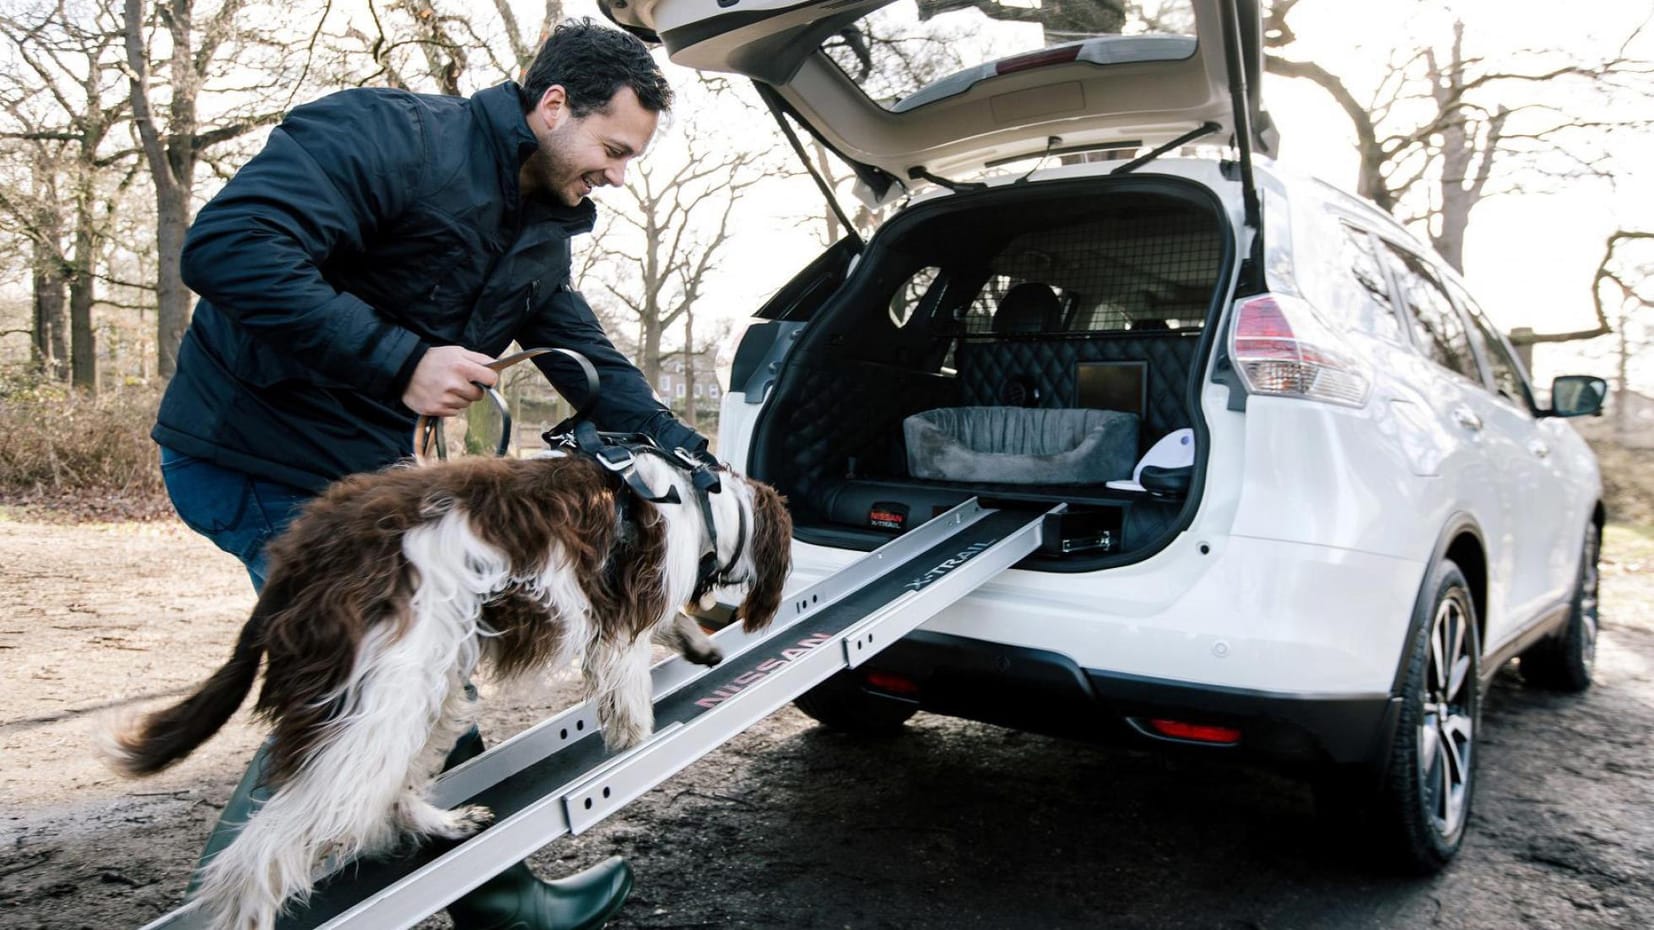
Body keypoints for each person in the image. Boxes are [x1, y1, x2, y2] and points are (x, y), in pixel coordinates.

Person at [152, 19, 705, 930]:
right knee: (379, 685)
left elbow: (585, 359)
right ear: (553, 105)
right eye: (612, 150)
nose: (616, 175)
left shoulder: (540, 231)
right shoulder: (388, 136)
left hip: (359, 474)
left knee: (421, 672)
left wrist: (694, 459)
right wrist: (399, 359)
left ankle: (498, 899)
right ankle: (236, 915)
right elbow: (230, 247)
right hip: (252, 452)